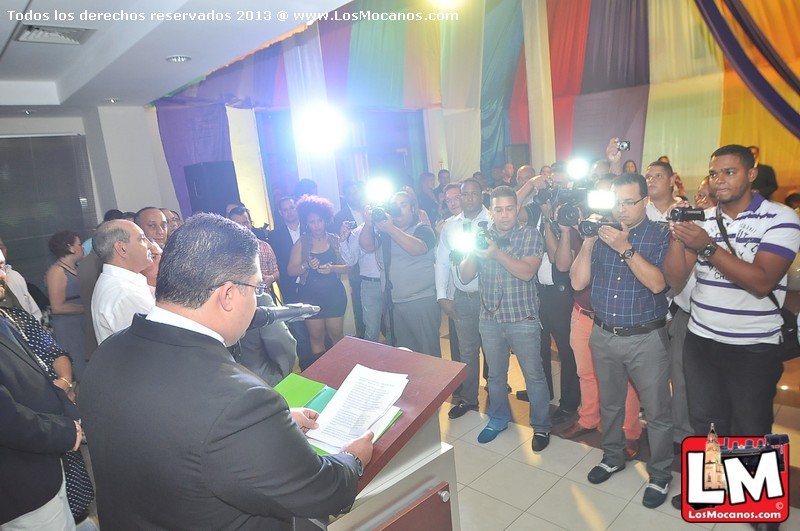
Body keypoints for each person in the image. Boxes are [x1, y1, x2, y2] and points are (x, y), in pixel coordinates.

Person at [79, 213, 373, 529]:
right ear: (229, 294)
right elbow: (322, 493)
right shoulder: (240, 400)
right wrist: (353, 458)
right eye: (255, 288)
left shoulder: (107, 352)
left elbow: (179, 430)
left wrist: (273, 426)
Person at [664, 145, 800, 509]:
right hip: (703, 340)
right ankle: (709, 491)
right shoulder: (703, 218)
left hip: (754, 346)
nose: (719, 181)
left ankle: (758, 504)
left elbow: (761, 282)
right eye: (714, 173)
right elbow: (675, 281)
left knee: (751, 427)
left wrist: (706, 247)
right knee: (707, 424)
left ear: (751, 174)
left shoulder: (780, 218)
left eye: (729, 172)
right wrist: (678, 239)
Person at [570, 173, 673, 509]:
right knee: (610, 403)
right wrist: (587, 242)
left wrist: (624, 248)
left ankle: (660, 474)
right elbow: (577, 281)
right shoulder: (600, 234)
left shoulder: (659, 234)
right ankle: (612, 456)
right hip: (603, 333)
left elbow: (658, 284)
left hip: (646, 337)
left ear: (645, 201)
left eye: (630, 201)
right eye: (617, 201)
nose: (622, 208)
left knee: (656, 412)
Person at [459, 186, 550, 450]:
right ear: (491, 211)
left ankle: (541, 426)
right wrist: (474, 250)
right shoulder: (483, 237)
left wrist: (496, 253)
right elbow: (465, 276)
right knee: (496, 376)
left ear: (517, 209)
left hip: (523, 317)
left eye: (510, 208)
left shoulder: (530, 234)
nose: (505, 215)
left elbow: (526, 272)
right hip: (489, 318)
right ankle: (498, 418)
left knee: (534, 375)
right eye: (498, 209)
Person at [1, 249, 84, 530]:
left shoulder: (7, 316)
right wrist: (65, 431)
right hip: (20, 483)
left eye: (3, 266)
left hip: (43, 465)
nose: (3, 276)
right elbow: (7, 419)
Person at [360, 191, 441, 357]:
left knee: (428, 355)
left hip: (419, 302)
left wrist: (390, 228)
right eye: (394, 206)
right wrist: (369, 224)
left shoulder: (423, 229)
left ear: (413, 209)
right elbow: (367, 246)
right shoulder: (384, 232)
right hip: (393, 304)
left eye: (403, 205)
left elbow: (416, 249)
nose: (398, 210)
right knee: (401, 356)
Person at [436, 178, 491, 419]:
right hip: (463, 297)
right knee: (467, 351)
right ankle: (469, 399)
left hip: (490, 296)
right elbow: (442, 261)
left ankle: (498, 397)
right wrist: (441, 296)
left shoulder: (492, 221)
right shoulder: (450, 226)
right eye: (464, 194)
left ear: (481, 195)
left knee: (494, 350)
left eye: (473, 193)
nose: (468, 198)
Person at [287, 195, 348, 361]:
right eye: (312, 222)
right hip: (310, 297)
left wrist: (332, 269)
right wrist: (306, 265)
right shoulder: (302, 243)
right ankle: (322, 373)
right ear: (307, 223)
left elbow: (348, 266)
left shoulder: (335, 240)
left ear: (325, 220)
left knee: (337, 336)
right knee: (316, 338)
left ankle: (341, 370)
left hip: (334, 295)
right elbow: (291, 271)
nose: (316, 225)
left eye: (319, 220)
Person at [91, 220, 155, 343]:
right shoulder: (126, 294)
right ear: (122, 248)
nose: (149, 244)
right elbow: (152, 344)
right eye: (142, 239)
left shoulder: (122, 283)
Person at [45, 230, 87, 382]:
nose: (82, 248)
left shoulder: (77, 268)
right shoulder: (57, 271)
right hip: (70, 326)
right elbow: (57, 307)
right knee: (78, 364)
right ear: (70, 248)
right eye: (79, 244)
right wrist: (86, 308)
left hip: (81, 323)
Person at [235, 292, 298, 387]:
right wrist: (284, 373)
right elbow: (283, 345)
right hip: (264, 383)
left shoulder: (207, 302)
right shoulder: (259, 299)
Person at [332, 181, 366, 339]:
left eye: (357, 191)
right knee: (360, 309)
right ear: (345, 196)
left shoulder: (369, 210)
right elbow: (341, 243)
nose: (355, 195)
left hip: (377, 265)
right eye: (351, 193)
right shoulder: (340, 216)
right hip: (356, 270)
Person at [229, 207, 280, 296]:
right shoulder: (225, 251)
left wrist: (271, 278)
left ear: (251, 223)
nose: (243, 227)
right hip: (237, 300)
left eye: (245, 223)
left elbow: (276, 272)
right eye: (238, 224)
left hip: (264, 299)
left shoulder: (265, 246)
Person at [0, 236, 43, 322]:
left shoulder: (16, 276)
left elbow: (33, 311)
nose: (2, 274)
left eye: (1, 247)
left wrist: (34, 329)